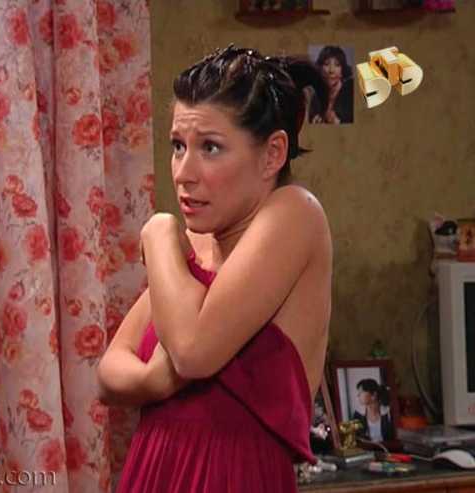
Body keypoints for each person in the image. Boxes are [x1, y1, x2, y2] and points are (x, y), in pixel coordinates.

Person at [97, 44, 333, 492]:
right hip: (152, 470)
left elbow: (192, 351)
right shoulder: (197, 243)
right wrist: (155, 380)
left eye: (210, 147)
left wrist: (159, 231)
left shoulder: (296, 212)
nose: (183, 173)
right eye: (178, 146)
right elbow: (109, 372)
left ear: (273, 154)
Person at [309, 45, 354, 124]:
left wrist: (339, 123)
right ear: (320, 69)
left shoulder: (351, 91)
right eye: (326, 64)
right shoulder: (315, 96)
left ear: (342, 70)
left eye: (337, 65)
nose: (331, 70)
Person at [352, 378, 393, 442]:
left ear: (373, 395)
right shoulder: (358, 415)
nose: (358, 395)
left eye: (361, 392)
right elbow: (356, 438)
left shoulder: (388, 413)